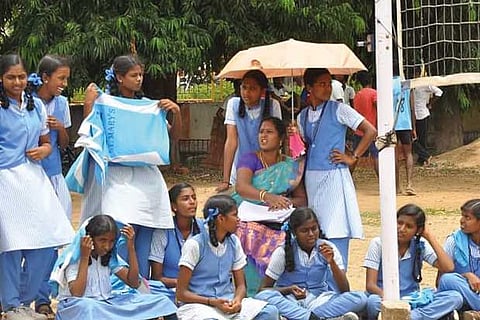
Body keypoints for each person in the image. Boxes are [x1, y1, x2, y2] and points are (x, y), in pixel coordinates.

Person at [80, 54, 178, 277]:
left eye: (141, 74)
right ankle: (114, 285)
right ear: (119, 77)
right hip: (117, 178)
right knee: (119, 227)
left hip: (148, 179)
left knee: (143, 234)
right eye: (134, 75)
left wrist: (176, 112)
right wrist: (89, 103)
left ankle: (139, 286)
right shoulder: (105, 102)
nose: (139, 79)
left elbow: (171, 137)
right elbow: (91, 134)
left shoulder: (149, 107)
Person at [0, 54, 74, 320]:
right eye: (11, 77)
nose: (17, 82)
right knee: (11, 244)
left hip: (35, 180)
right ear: (1, 78)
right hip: (5, 181)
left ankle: (22, 299)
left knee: (48, 239)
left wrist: (44, 149)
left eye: (21, 76)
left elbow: (46, 141)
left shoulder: (36, 107)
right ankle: (10, 305)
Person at [293, 68, 376, 274]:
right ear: (309, 88)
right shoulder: (302, 117)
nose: (327, 88)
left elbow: (370, 131)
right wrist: (293, 137)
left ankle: (339, 274)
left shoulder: (339, 109)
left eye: (329, 83)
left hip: (334, 176)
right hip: (312, 177)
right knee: (316, 226)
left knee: (337, 226)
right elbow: (300, 150)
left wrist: (353, 156)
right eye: (321, 84)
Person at [233, 116, 306, 295]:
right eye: (261, 132)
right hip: (248, 214)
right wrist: (267, 197)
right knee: (246, 233)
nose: (263, 136)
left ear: (281, 138)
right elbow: (242, 187)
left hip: (277, 217)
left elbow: (302, 200)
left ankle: (279, 290)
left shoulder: (289, 165)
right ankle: (250, 292)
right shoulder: (250, 159)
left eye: (269, 132)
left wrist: (283, 203)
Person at [53, 214, 177, 320]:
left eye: (111, 241)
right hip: (77, 306)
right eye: (102, 240)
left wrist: (131, 247)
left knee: (160, 300)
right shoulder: (74, 259)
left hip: (106, 304)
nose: (107, 246)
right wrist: (85, 257)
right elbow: (77, 294)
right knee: (90, 307)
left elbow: (134, 283)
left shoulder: (109, 257)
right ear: (90, 238)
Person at [176, 194, 279, 320]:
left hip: (227, 301)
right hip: (200, 306)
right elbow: (181, 293)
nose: (238, 219)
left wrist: (237, 300)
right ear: (221, 219)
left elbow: (241, 286)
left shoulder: (234, 242)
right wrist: (212, 302)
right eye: (235, 215)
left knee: (270, 312)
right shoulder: (194, 245)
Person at [255, 207, 367, 320]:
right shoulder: (282, 252)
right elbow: (263, 290)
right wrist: (288, 289)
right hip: (290, 302)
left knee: (359, 298)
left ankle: (303, 317)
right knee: (263, 296)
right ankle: (314, 317)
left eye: (314, 229)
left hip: (319, 301)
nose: (311, 234)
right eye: (304, 231)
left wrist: (332, 262)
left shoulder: (328, 248)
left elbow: (345, 290)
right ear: (294, 232)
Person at [27, 54, 73, 318]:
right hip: (30, 178)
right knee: (27, 239)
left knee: (55, 238)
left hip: (54, 176)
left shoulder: (62, 103)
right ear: (45, 78)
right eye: (61, 78)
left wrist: (59, 128)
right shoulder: (25, 103)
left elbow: (65, 143)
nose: (64, 84)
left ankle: (43, 297)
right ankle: (18, 295)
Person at [363, 204, 463, 320]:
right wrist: (395, 302)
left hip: (412, 299)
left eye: (409, 226)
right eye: (399, 223)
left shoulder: (420, 246)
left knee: (455, 297)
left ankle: (411, 317)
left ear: (418, 230)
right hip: (384, 297)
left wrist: (429, 236)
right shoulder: (379, 244)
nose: (401, 229)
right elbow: (370, 285)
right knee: (372, 302)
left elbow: (448, 267)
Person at [216, 70, 282, 192]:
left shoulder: (273, 105)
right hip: (241, 166)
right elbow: (231, 141)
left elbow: (276, 140)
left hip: (267, 168)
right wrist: (226, 180)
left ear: (262, 91)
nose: (246, 92)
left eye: (252, 88)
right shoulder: (233, 104)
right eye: (244, 87)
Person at [149, 182, 204, 301]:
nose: (192, 202)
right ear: (174, 206)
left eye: (194, 197)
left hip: (202, 288)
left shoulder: (204, 229)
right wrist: (181, 283)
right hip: (170, 290)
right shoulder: (163, 231)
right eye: (185, 199)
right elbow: (156, 277)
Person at [438, 199, 480, 319]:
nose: (462, 220)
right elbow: (440, 281)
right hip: (461, 295)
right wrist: (466, 276)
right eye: (462, 216)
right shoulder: (454, 241)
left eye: (468, 217)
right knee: (448, 279)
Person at [412, 67, 443, 166]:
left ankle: (424, 158)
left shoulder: (424, 84)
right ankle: (424, 157)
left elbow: (439, 92)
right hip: (413, 115)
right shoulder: (411, 84)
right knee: (414, 138)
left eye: (414, 73)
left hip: (422, 114)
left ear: (418, 73)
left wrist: (431, 104)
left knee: (421, 138)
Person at [393, 72, 416, 195]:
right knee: (408, 154)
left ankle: (397, 187)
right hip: (406, 123)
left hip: (392, 124)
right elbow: (412, 106)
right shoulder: (407, 83)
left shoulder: (386, 82)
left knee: (394, 156)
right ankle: (409, 184)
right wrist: (414, 126)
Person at [351, 71, 378, 176]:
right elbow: (377, 106)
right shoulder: (373, 93)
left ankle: (348, 177)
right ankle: (383, 181)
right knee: (376, 156)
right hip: (371, 130)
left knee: (356, 155)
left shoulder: (357, 95)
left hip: (359, 130)